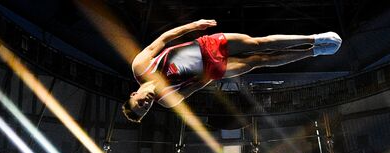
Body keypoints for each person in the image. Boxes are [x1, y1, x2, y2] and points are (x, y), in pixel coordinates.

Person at [124, 19, 342, 122]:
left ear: (134, 95)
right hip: (212, 69)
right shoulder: (167, 100)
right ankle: (313, 51)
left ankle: (313, 38)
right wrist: (214, 73)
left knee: (259, 44)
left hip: (206, 45)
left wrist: (194, 26)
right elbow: (197, 85)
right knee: (259, 61)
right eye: (146, 108)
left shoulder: (140, 66)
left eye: (140, 103)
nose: (146, 103)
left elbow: (164, 39)